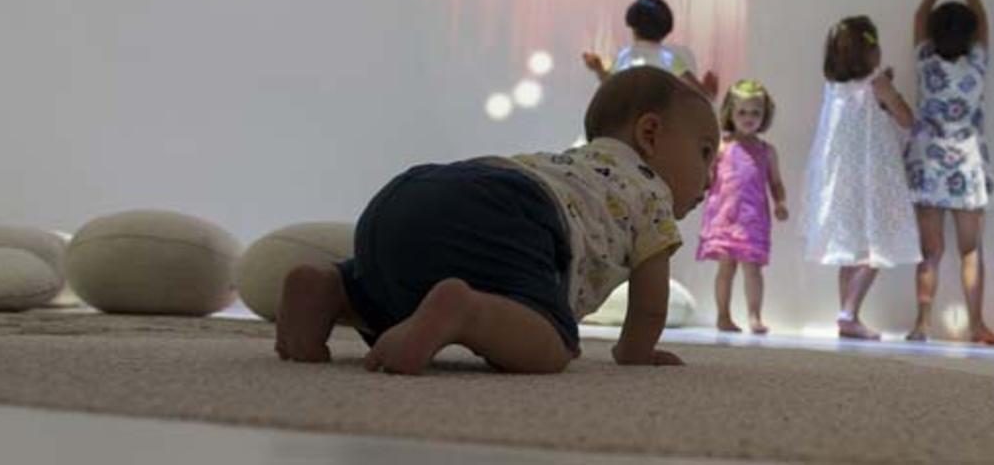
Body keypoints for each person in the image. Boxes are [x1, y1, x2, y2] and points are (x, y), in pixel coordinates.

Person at [275, 66, 720, 373]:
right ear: (650, 134)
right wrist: (635, 352)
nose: (711, 175)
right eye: (705, 152)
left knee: (396, 295)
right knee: (552, 347)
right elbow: (649, 306)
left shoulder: (574, 164)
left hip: (416, 193)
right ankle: (464, 312)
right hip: (517, 214)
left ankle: (335, 290)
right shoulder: (651, 195)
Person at [904, 0, 994, 345]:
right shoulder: (977, 63)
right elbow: (983, 18)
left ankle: (922, 324)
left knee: (930, 252)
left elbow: (918, 16)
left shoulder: (925, 61)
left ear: (933, 32)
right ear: (970, 34)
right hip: (966, 163)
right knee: (971, 251)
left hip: (927, 163)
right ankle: (977, 325)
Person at [801, 16, 920, 340]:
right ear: (872, 51)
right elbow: (906, 119)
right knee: (877, 248)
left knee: (849, 250)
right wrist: (891, 94)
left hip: (842, 181)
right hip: (873, 177)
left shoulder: (834, 87)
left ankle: (849, 315)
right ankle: (848, 312)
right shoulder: (876, 84)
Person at [696, 79, 789, 334]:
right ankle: (723, 316)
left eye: (755, 113)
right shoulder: (722, 146)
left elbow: (776, 182)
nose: (749, 118)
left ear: (764, 115)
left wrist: (780, 203)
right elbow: (708, 175)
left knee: (753, 269)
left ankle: (754, 316)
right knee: (726, 268)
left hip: (753, 219)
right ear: (731, 113)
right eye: (742, 112)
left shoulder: (766, 151)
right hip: (723, 216)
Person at [583, 0, 719, 96]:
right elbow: (698, 91)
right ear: (665, 30)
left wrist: (598, 68)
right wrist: (709, 90)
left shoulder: (625, 55)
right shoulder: (669, 59)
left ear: (633, 28)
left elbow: (609, 84)